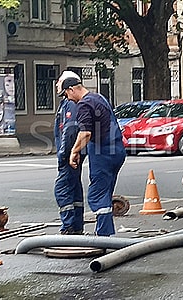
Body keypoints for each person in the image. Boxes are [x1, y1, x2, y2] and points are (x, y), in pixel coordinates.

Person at [59, 71, 126, 236]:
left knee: (97, 195)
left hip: (102, 152)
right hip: (117, 150)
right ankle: (105, 232)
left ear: (71, 89)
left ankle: (105, 235)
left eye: (66, 94)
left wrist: (73, 152)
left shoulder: (83, 104)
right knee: (106, 191)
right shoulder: (99, 98)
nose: (67, 98)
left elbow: (85, 133)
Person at [53, 71, 85, 235]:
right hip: (74, 153)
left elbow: (70, 130)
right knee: (74, 188)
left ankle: (69, 227)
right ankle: (76, 226)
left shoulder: (70, 104)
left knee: (62, 189)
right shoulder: (70, 103)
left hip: (69, 155)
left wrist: (64, 154)